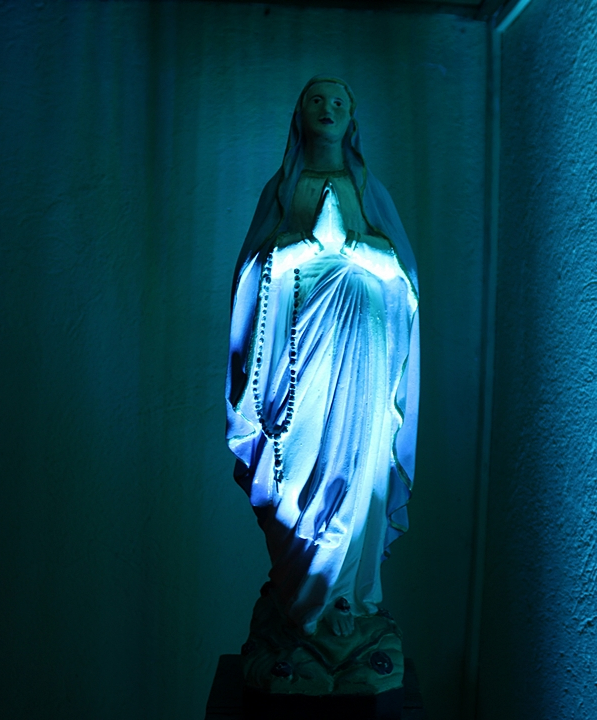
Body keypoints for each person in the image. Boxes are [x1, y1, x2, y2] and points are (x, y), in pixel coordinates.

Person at [226, 76, 420, 641]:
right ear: (299, 113)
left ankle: (345, 599)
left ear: (352, 117)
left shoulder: (368, 190)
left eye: (338, 102)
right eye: (317, 100)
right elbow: (250, 271)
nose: (327, 108)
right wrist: (303, 248)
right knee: (296, 464)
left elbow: (404, 278)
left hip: (362, 342)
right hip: (297, 342)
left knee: (355, 464)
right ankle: (300, 593)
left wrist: (355, 249)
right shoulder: (283, 188)